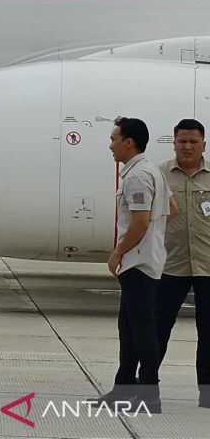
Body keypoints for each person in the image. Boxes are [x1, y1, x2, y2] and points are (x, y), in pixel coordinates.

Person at [93, 116, 172, 412]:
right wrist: (156, 232)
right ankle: (122, 389)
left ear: (129, 142)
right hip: (144, 260)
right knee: (128, 329)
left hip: (138, 263)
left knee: (140, 330)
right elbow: (170, 208)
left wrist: (117, 252)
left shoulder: (138, 176)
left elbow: (139, 221)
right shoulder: (149, 171)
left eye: (115, 139)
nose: (111, 145)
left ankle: (150, 394)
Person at [154, 118, 209, 408]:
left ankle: (208, 392)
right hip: (169, 265)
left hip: (208, 267)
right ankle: (147, 385)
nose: (187, 146)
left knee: (209, 333)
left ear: (203, 145)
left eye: (193, 142)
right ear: (174, 143)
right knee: (157, 328)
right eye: (181, 141)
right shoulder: (159, 175)